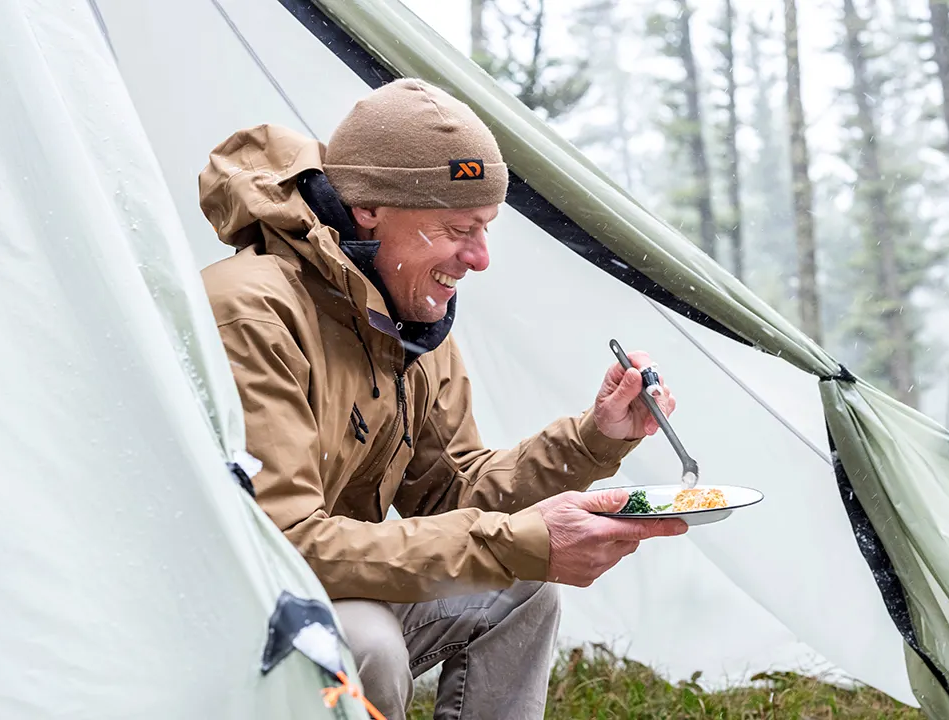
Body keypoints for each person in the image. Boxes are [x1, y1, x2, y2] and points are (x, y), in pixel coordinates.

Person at [197, 78, 689, 719]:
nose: (480, 258)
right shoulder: (252, 311)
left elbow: (451, 493)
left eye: (485, 228)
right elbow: (285, 541)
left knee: (521, 590)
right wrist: (516, 541)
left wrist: (595, 438)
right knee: (367, 643)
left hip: (324, 583)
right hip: (228, 600)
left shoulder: (406, 319)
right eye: (457, 228)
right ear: (369, 209)